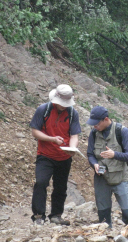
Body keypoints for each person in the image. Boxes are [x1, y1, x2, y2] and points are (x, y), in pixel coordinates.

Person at [86, 106, 128, 236]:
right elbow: (90, 154)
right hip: (101, 179)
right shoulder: (94, 133)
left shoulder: (122, 131)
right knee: (103, 213)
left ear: (106, 119)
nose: (94, 126)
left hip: (119, 177)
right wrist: (94, 164)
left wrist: (114, 154)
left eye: (97, 123)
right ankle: (106, 238)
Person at [29, 84, 81, 225]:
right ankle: (38, 216)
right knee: (41, 183)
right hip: (45, 154)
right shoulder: (43, 110)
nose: (63, 106)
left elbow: (74, 135)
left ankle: (56, 215)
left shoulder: (72, 113)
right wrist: (52, 139)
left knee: (61, 186)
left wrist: (72, 147)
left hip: (64, 157)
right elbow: (35, 131)